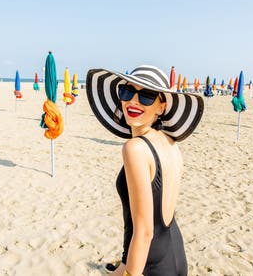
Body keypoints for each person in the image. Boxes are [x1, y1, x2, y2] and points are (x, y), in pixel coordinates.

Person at [86, 65, 204, 276]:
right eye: (127, 91)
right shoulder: (169, 142)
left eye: (147, 97)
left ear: (161, 106)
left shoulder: (135, 149)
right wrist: (124, 263)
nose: (133, 101)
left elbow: (145, 231)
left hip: (150, 263)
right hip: (174, 252)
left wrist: (130, 273)